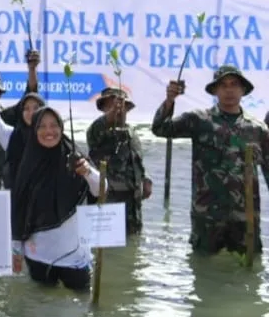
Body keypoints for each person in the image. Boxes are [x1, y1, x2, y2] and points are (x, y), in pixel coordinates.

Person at [151, 65, 269, 256]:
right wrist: (170, 100)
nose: (229, 90)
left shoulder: (258, 129)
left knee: (248, 269)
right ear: (215, 90)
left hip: (245, 217)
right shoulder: (199, 120)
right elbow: (160, 128)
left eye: (234, 84)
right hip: (207, 216)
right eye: (223, 85)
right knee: (203, 268)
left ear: (243, 90)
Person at [10, 106, 101, 291]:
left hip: (75, 256)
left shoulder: (77, 159)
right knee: (42, 303)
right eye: (42, 126)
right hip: (38, 255)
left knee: (81, 303)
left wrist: (88, 172)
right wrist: (16, 250)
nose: (48, 131)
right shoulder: (27, 164)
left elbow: (101, 189)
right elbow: (19, 209)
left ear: (61, 127)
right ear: (34, 130)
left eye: (53, 125)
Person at [86, 87, 151, 234]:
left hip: (133, 205)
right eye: (111, 106)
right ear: (104, 109)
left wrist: (146, 178)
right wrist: (113, 112)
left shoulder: (132, 133)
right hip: (109, 204)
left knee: (133, 243)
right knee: (108, 243)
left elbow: (136, 161)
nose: (118, 110)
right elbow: (98, 129)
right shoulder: (98, 131)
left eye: (122, 106)